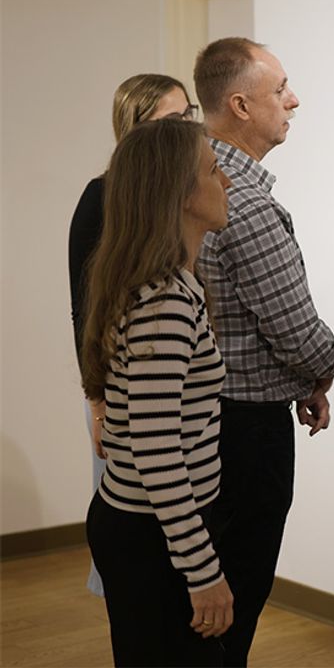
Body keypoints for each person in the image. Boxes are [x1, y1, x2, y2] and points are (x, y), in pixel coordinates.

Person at [194, 37, 334, 666]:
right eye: (280, 89)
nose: (294, 100)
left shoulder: (191, 180)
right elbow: (296, 330)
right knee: (236, 598)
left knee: (207, 601)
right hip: (246, 433)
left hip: (205, 420)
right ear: (241, 105)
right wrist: (323, 371)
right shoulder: (246, 205)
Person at [81, 118, 234, 666]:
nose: (227, 182)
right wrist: (203, 571)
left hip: (155, 528)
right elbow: (155, 448)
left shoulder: (169, 284)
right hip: (153, 536)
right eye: (215, 171)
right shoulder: (164, 301)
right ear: (182, 195)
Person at [68, 73, 199, 597]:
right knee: (127, 502)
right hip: (116, 388)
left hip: (171, 384)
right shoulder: (99, 198)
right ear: (134, 129)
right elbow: (85, 314)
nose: (188, 128)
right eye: (173, 120)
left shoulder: (183, 196)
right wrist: (97, 402)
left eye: (189, 116)